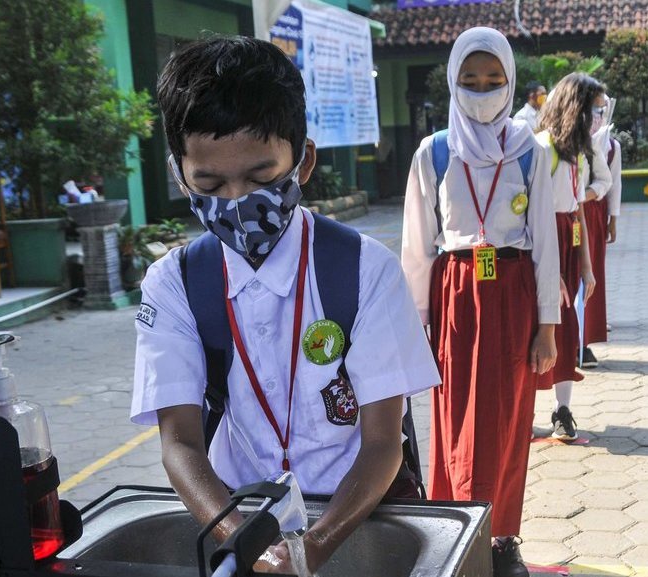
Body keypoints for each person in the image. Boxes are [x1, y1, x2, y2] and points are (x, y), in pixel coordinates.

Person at [131, 37, 440, 575]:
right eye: (210, 183)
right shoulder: (174, 284)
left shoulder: (364, 270)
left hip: (358, 509)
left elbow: (384, 442)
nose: (236, 202)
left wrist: (310, 547)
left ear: (302, 162)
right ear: (181, 176)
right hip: (237, 506)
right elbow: (180, 444)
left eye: (260, 178)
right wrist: (243, 539)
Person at [401, 27, 559, 577]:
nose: (483, 90)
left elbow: (546, 242)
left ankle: (502, 540)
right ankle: (454, 533)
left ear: (511, 82)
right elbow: (417, 250)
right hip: (454, 296)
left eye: (494, 80)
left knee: (511, 421)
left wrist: (548, 327)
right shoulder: (435, 151)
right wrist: (415, 329)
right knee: (454, 418)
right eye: (470, 80)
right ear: (452, 82)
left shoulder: (531, 152)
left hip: (513, 292)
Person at [532, 74, 609, 441]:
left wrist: (586, 266)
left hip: (568, 241)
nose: (598, 117)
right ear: (574, 108)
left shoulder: (578, 153)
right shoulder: (541, 149)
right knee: (537, 329)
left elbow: (576, 208)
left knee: (567, 328)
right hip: (544, 243)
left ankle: (562, 411)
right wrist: (550, 273)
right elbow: (533, 215)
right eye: (594, 109)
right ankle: (524, 415)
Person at [577, 89, 615, 370]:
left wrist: (582, 196)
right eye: (593, 110)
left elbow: (607, 180)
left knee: (584, 275)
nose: (597, 117)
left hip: (583, 215)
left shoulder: (592, 145)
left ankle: (583, 341)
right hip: (550, 219)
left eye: (600, 111)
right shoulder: (541, 142)